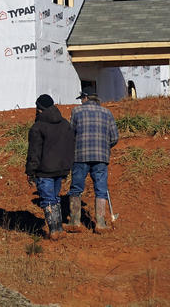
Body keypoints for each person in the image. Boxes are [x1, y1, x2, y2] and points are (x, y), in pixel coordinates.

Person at [66, 86, 119, 232]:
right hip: (101, 158)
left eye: (82, 98)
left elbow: (71, 134)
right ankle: (100, 224)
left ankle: (75, 222)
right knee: (101, 190)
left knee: (76, 188)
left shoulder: (76, 111)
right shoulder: (107, 113)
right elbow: (115, 137)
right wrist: (104, 147)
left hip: (80, 156)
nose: (81, 101)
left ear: (85, 97)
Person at [25, 93, 75, 240]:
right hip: (61, 169)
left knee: (48, 200)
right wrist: (67, 166)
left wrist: (30, 171)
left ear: (39, 109)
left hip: (44, 170)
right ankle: (58, 229)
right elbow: (70, 146)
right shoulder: (65, 124)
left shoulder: (38, 127)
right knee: (55, 198)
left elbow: (34, 152)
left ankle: (53, 231)